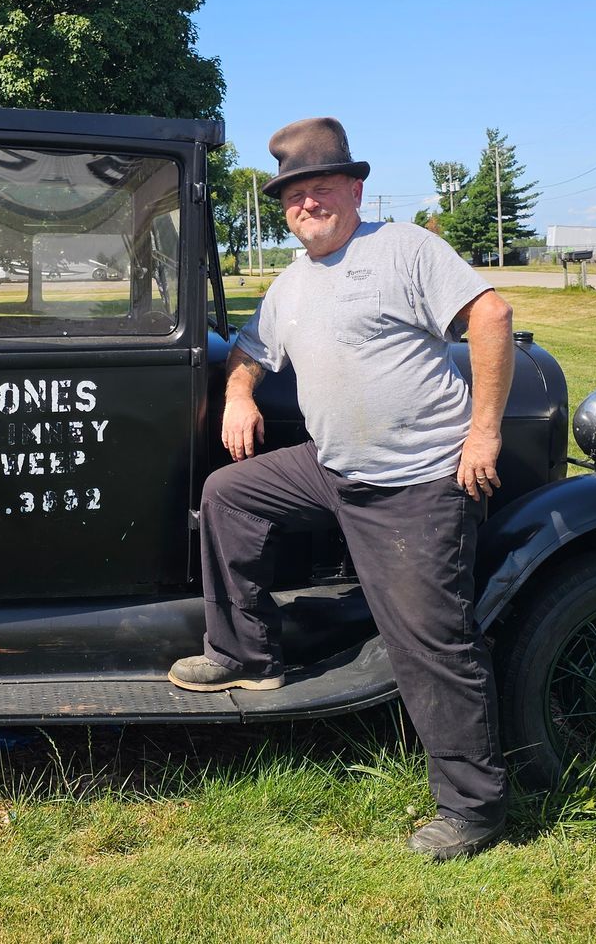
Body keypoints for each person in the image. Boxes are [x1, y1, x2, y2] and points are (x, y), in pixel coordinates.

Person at [168, 116, 515, 861]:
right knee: (230, 494)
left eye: (321, 188)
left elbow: (491, 316)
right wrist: (239, 394)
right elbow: (254, 351)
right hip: (334, 468)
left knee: (430, 642)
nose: (307, 205)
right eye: (294, 196)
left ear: (355, 187)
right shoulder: (292, 284)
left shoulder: (403, 249)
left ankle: (475, 805)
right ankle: (246, 655)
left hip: (418, 481)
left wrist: (483, 433)